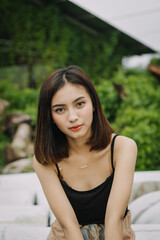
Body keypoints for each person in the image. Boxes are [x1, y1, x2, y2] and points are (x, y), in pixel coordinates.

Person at [33, 65, 137, 240]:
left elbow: (114, 220)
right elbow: (69, 226)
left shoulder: (122, 148)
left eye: (80, 104)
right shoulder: (45, 159)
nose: (72, 117)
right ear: (50, 116)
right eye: (60, 109)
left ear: (94, 104)